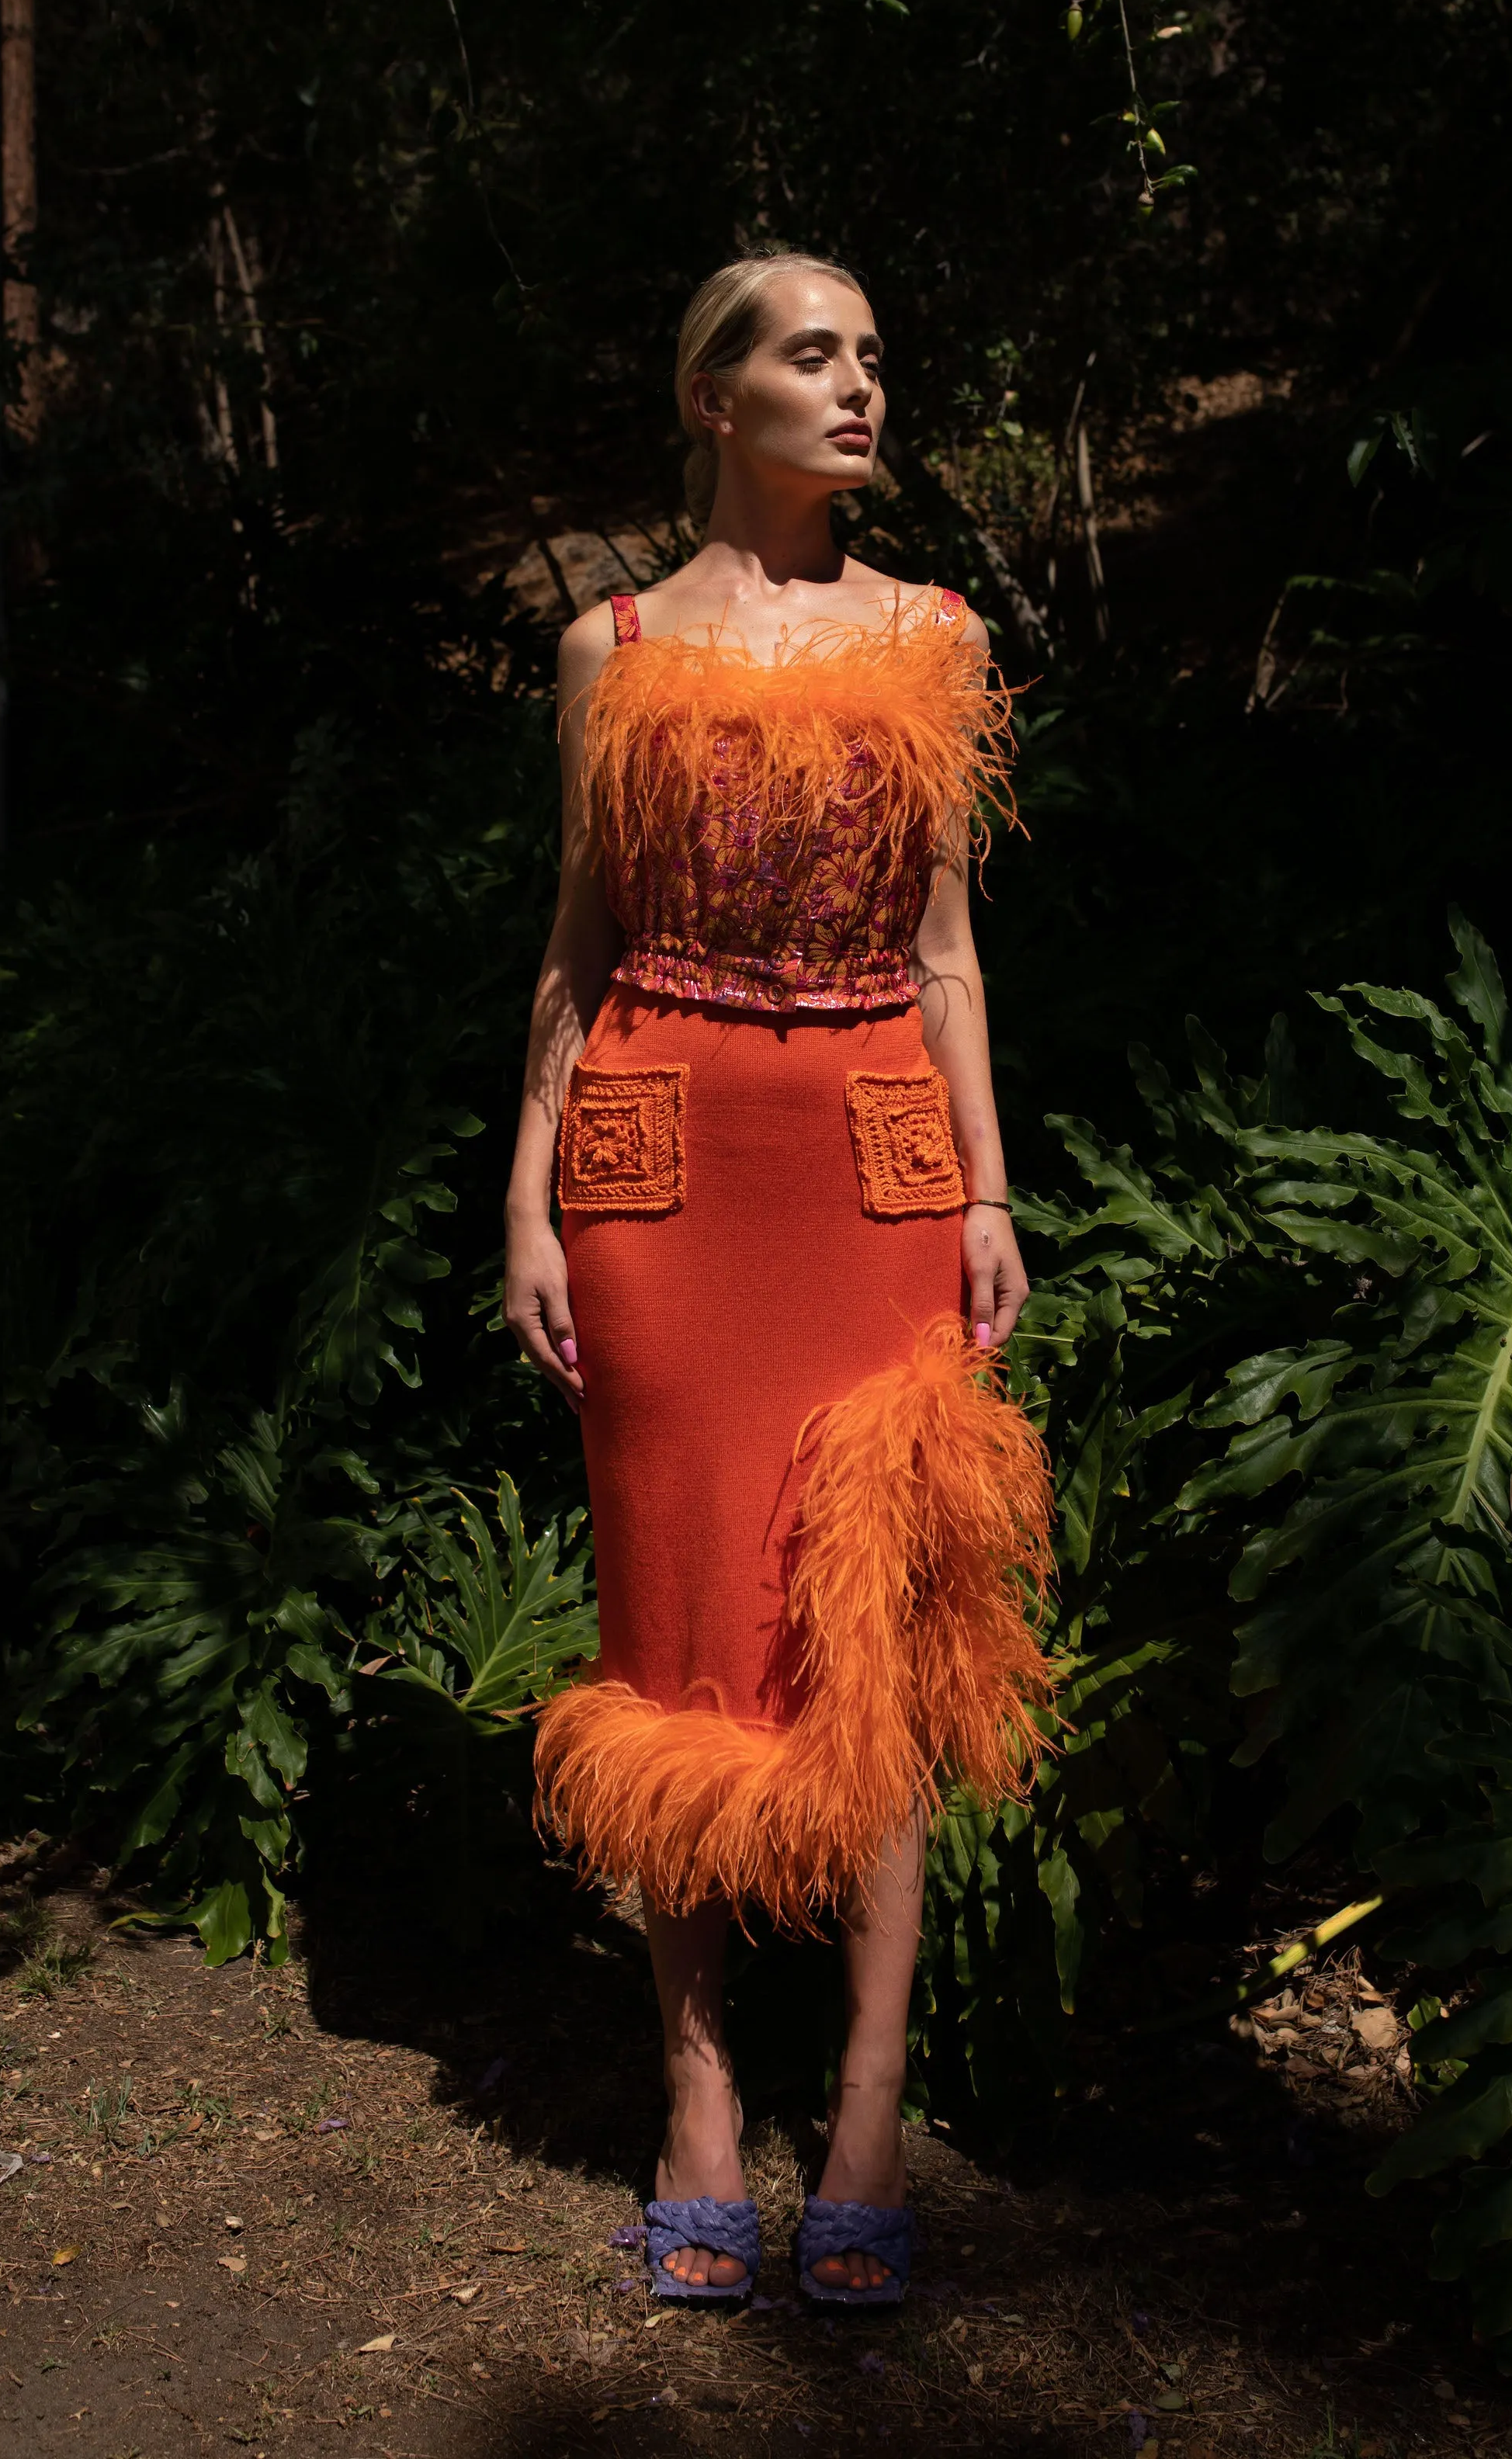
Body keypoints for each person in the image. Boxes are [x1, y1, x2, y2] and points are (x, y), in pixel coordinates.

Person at [502, 248, 1052, 2309]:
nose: (862, 389)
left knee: (880, 1628)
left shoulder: (933, 636)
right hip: (656, 1167)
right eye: (815, 356)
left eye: (875, 358)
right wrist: (526, 1205)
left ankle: (872, 2118)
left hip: (875, 1171)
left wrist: (992, 1192)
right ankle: (701, 2102)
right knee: (686, 1624)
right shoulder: (613, 646)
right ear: (711, 400)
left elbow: (947, 954)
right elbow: (570, 953)